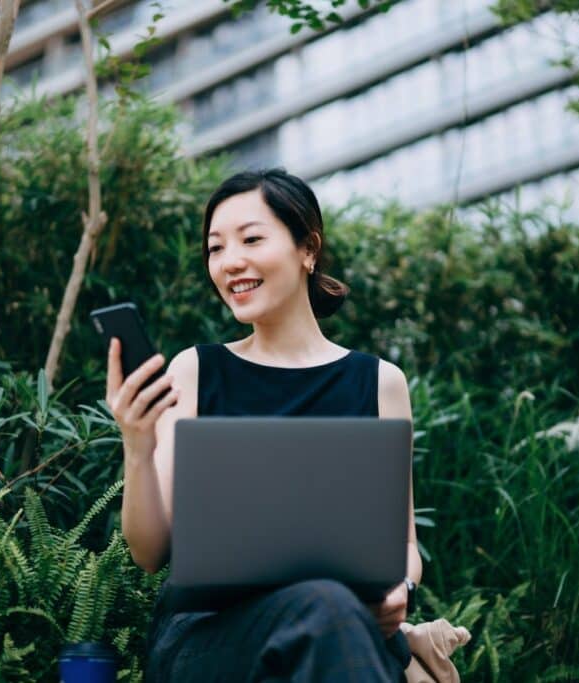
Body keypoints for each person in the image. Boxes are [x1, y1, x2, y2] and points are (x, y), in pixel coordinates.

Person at [105, 168, 422, 681]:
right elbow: (148, 552)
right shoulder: (196, 370)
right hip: (209, 637)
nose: (231, 262)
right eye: (215, 248)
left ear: (308, 249)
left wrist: (399, 590)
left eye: (251, 239)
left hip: (344, 623)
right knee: (327, 609)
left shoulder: (381, 382)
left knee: (331, 611)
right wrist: (137, 447)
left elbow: (403, 546)